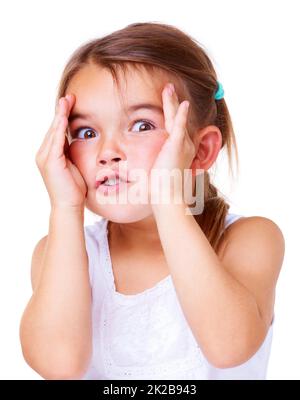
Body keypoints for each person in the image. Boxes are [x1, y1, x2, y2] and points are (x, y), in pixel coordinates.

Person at [19, 22, 285, 380]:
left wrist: (168, 198)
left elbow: (229, 348)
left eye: (141, 125)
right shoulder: (59, 253)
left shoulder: (249, 239)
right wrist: (65, 209)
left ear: (201, 150)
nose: (107, 152)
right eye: (86, 132)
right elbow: (58, 366)